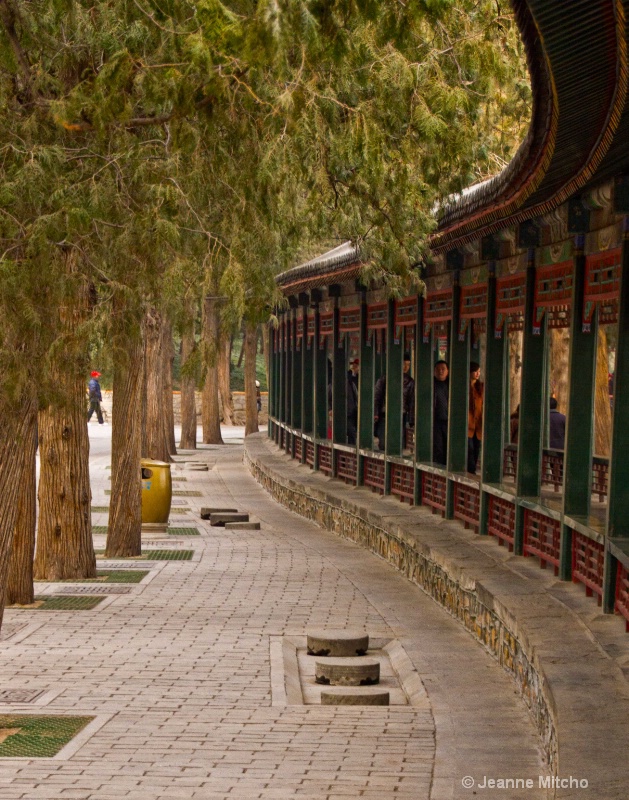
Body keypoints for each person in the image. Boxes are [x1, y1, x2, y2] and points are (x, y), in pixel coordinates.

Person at [374, 353, 414, 451]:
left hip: (401, 416)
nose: (406, 367)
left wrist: (412, 420)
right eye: (403, 364)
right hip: (385, 415)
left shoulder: (410, 381)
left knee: (399, 444)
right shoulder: (384, 379)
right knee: (384, 443)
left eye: (408, 364)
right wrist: (375, 413)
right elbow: (376, 397)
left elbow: (412, 402)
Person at [468, 361, 483, 474]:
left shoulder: (481, 387)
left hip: (478, 425)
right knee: (469, 448)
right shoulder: (464, 387)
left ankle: (472, 470)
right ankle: (470, 471)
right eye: (475, 371)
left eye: (479, 371)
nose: (478, 373)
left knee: (476, 448)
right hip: (468, 425)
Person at [433, 360, 449, 465]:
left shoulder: (452, 385)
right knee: (438, 449)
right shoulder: (431, 385)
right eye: (438, 369)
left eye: (443, 369)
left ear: (448, 371)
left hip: (449, 422)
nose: (440, 371)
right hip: (436, 422)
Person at [347, 358, 359, 445]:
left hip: (354, 408)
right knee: (351, 430)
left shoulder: (360, 378)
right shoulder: (349, 376)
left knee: (353, 430)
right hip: (350, 409)